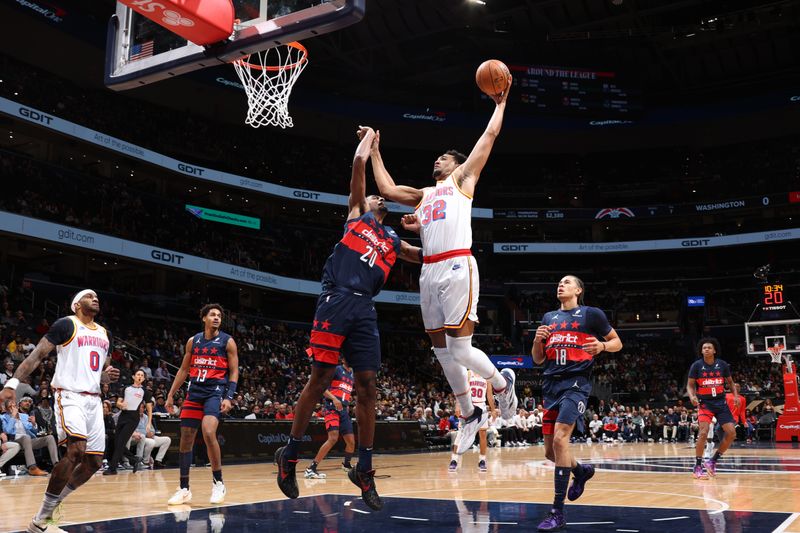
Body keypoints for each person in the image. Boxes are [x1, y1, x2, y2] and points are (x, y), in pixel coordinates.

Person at [274, 126, 423, 511]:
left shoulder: (393, 240)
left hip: (364, 308)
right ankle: (289, 455)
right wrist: (371, 141)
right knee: (320, 377)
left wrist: (434, 226)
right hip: (335, 300)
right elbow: (358, 163)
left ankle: (366, 471)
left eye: (380, 195)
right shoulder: (356, 215)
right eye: (375, 193)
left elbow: (426, 255)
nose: (377, 196)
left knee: (369, 387)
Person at [369, 86, 518, 456]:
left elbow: (489, 136)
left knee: (461, 348)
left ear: (455, 164)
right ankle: (469, 414)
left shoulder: (463, 180)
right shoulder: (423, 195)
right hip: (429, 271)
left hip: (457, 265)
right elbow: (385, 187)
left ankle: (502, 383)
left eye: (443, 158)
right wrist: (374, 150)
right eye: (436, 158)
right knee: (442, 353)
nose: (437, 161)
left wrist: (500, 104)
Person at [0, 289, 118, 533]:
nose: (95, 298)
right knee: (76, 450)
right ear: (76, 305)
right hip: (70, 395)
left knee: (94, 461)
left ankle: (52, 507)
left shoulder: (105, 334)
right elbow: (37, 355)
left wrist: (107, 376)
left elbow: (95, 371)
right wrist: (12, 384)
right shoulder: (67, 324)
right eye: (88, 296)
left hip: (94, 400)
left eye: (96, 296)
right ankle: (41, 518)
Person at [532, 275, 622, 531]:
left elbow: (618, 342)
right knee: (551, 453)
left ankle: (557, 512)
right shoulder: (549, 318)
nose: (561, 285)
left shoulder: (591, 314)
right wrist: (537, 339)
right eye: (559, 282)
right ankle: (581, 471)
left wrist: (603, 346)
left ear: (578, 290)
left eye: (567, 282)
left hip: (576, 383)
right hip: (550, 386)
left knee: (561, 441)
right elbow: (537, 359)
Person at [165, 303, 239, 505]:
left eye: (219, 316)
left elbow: (234, 371)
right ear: (204, 318)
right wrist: (171, 394)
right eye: (213, 315)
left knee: (208, 432)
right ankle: (184, 488)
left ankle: (218, 483)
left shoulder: (227, 342)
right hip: (194, 392)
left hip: (214, 392)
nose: (217, 318)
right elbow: (183, 370)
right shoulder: (193, 341)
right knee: (186, 437)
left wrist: (228, 396)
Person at [687, 337, 740, 479]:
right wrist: (692, 396)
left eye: (709, 347)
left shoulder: (722, 365)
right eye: (704, 348)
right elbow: (690, 385)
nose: (706, 349)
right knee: (703, 433)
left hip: (721, 404)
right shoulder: (696, 366)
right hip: (705, 404)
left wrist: (735, 396)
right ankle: (698, 465)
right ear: (701, 351)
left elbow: (731, 382)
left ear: (714, 350)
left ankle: (712, 461)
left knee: (732, 433)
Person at [304, 362, 355, 479]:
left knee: (351, 442)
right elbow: (322, 388)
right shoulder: (337, 369)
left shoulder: (352, 374)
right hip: (332, 408)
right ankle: (311, 468)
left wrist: (346, 399)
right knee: (333, 438)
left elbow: (343, 391)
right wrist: (334, 398)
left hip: (344, 411)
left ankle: (346, 465)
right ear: (343, 360)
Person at [104, 368, 152, 475]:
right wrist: (120, 405)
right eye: (138, 374)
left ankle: (112, 468)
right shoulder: (126, 388)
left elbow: (149, 409)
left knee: (121, 442)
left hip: (133, 418)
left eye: (142, 375)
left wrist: (149, 423)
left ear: (143, 378)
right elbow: (118, 402)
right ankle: (134, 459)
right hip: (123, 416)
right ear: (134, 377)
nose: (139, 376)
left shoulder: (145, 392)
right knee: (117, 442)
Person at [449, 369, 496, 473]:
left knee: (483, 434)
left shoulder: (487, 375)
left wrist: (493, 410)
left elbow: (489, 395)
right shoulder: (469, 373)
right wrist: (457, 405)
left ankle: (482, 460)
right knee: (460, 434)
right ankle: (454, 460)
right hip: (468, 406)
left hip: (481, 407)